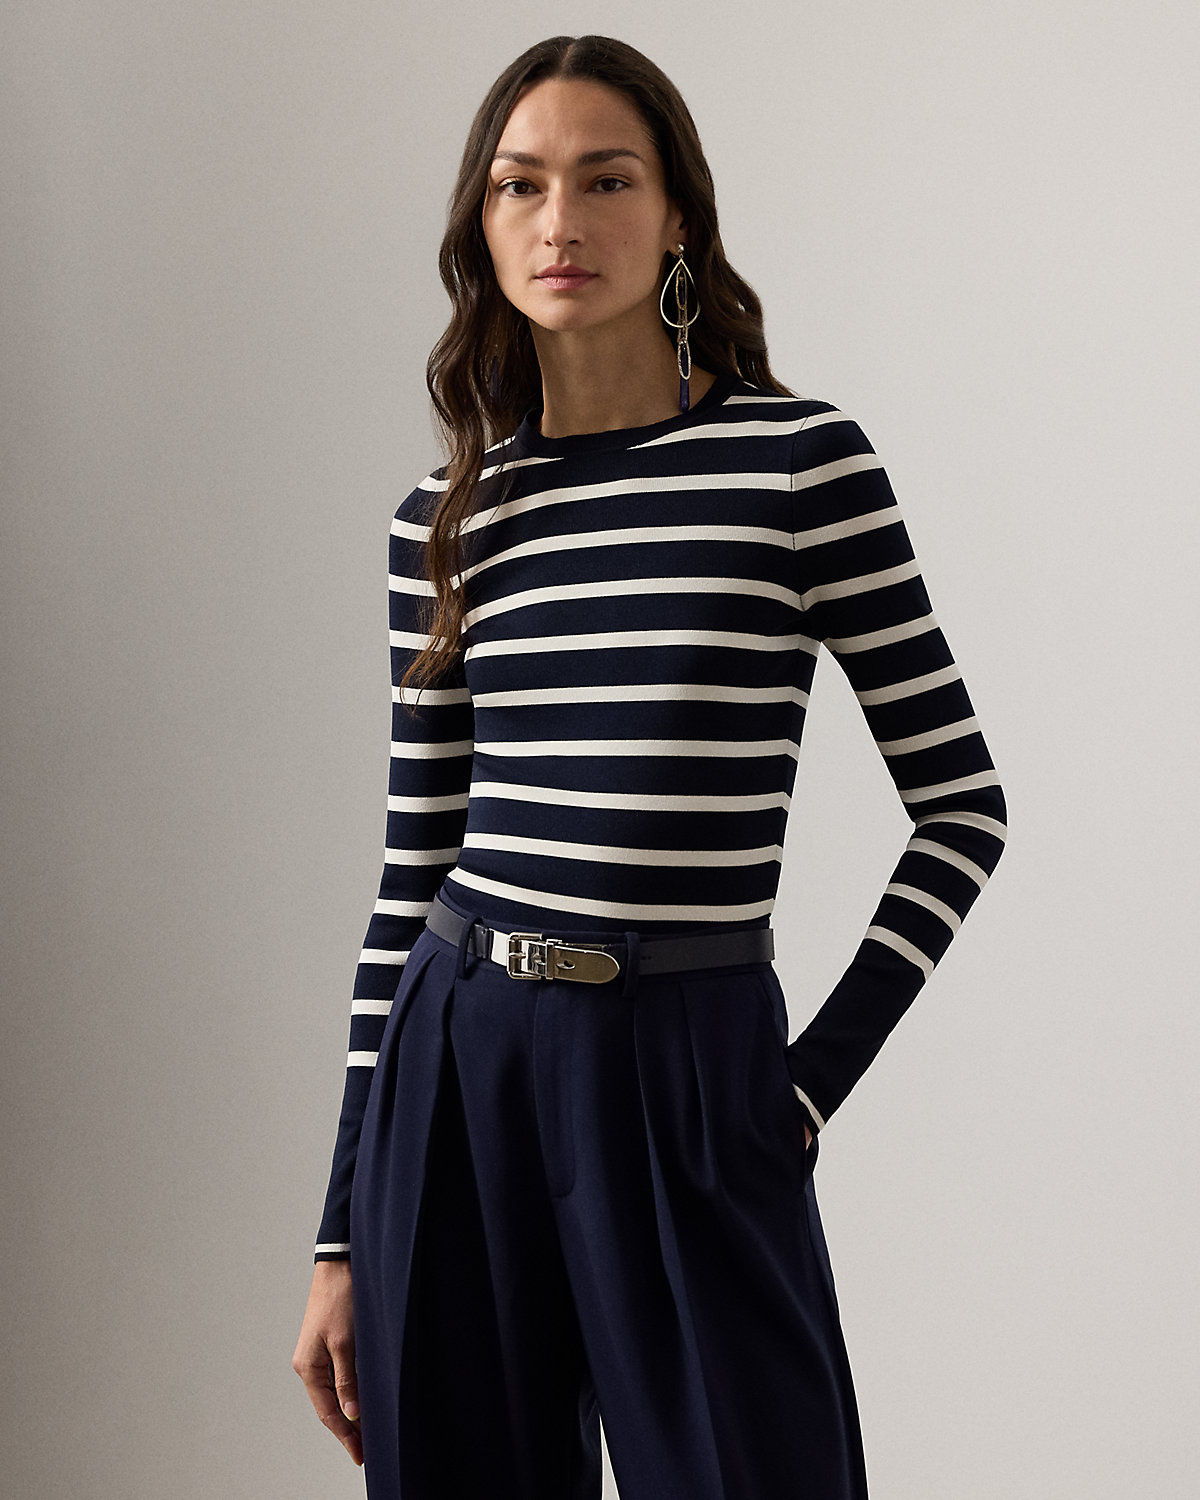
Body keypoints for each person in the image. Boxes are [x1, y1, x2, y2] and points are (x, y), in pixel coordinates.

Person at [292, 32, 1007, 1500]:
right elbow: (409, 879)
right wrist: (341, 1226)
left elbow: (962, 810)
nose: (560, 222)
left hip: (687, 1057)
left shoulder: (798, 468)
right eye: (520, 185)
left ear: (678, 213)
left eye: (606, 180)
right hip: (459, 1057)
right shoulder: (446, 519)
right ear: (482, 225)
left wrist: (803, 1090)